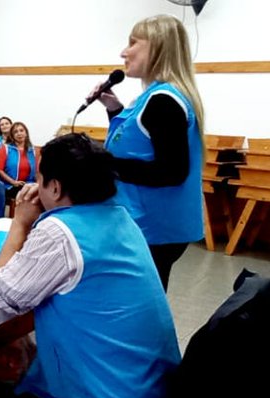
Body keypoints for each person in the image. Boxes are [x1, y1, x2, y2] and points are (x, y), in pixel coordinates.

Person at [0, 133, 180, 398]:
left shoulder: (61, 231)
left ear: (55, 188)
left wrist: (20, 223)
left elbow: (2, 293)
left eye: (41, 180)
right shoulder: (122, 218)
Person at [94, 14, 206, 290]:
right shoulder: (156, 98)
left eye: (133, 43)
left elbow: (172, 171)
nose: (124, 51)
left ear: (157, 47)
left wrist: (103, 163)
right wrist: (114, 110)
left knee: (136, 304)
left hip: (152, 228)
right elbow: (137, 143)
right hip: (150, 225)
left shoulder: (163, 102)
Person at [0, 121, 38, 189]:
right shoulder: (5, 148)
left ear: (26, 133)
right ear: (12, 135)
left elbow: (37, 171)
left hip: (29, 184)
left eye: (21, 130)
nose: (19, 133)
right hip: (9, 185)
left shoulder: (32, 150)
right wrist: (13, 182)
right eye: (15, 132)